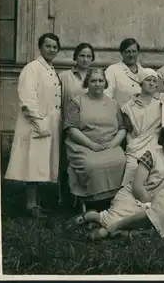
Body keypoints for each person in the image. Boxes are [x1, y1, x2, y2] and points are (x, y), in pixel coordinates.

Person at [75, 124, 164, 240]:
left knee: (162, 220)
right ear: (162, 141)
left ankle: (114, 230)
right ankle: (94, 216)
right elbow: (137, 185)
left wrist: (156, 206)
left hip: (160, 200)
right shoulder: (151, 155)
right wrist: (148, 205)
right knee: (115, 219)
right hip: (136, 195)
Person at [4, 33, 63, 218]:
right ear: (40, 47)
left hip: (48, 123)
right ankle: (31, 205)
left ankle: (36, 203)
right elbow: (28, 99)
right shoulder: (32, 68)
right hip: (35, 123)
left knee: (40, 163)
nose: (51, 50)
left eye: (55, 47)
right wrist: (38, 124)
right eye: (48, 46)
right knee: (32, 163)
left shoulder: (50, 69)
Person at [64, 69, 127, 208]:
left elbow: (123, 128)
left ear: (105, 83)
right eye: (93, 81)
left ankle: (115, 201)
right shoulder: (77, 102)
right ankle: (91, 201)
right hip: (83, 145)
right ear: (87, 83)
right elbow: (71, 128)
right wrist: (92, 145)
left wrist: (113, 144)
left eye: (100, 81)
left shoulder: (113, 103)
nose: (97, 84)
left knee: (121, 161)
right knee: (91, 165)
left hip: (110, 145)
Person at [58, 43, 95, 206]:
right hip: (68, 126)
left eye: (88, 56)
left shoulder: (96, 76)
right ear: (75, 57)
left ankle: (83, 198)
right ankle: (64, 197)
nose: (85, 59)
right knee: (66, 163)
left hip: (89, 128)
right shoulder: (65, 76)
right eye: (82, 55)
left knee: (85, 163)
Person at [120, 68, 164, 186]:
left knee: (157, 170)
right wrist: (131, 144)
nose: (151, 83)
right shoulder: (128, 107)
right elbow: (127, 130)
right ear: (141, 83)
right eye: (148, 80)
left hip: (155, 145)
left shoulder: (161, 104)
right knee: (133, 167)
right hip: (136, 145)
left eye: (154, 81)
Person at [105, 38, 161, 106]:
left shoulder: (145, 72)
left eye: (134, 51)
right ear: (121, 53)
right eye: (127, 51)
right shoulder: (112, 70)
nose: (131, 55)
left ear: (138, 52)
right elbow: (107, 96)